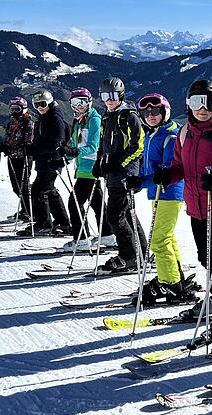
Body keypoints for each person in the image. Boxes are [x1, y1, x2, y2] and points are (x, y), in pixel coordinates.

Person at [152, 80, 212, 330]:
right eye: (196, 102)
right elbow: (179, 166)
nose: (202, 108)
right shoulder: (185, 132)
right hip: (196, 206)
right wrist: (168, 174)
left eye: (207, 102)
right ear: (188, 104)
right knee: (205, 256)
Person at [136, 92, 194, 304]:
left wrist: (142, 182)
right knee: (167, 237)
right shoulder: (154, 134)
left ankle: (170, 283)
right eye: (147, 112)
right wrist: (138, 180)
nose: (151, 115)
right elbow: (150, 166)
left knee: (159, 240)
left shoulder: (170, 135)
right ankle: (176, 277)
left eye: (156, 111)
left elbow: (167, 171)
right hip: (158, 194)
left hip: (169, 193)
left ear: (165, 112)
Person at [92, 77, 147, 272]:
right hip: (112, 174)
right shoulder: (107, 116)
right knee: (127, 214)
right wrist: (99, 164)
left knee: (115, 216)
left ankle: (129, 256)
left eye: (113, 96)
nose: (109, 100)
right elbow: (103, 144)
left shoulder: (129, 116)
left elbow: (138, 146)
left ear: (121, 95)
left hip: (125, 174)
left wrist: (117, 163)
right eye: (105, 96)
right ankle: (142, 253)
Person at [58, 87, 115, 252]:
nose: (78, 106)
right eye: (75, 103)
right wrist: (64, 158)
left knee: (74, 204)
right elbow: (77, 146)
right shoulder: (81, 121)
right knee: (97, 205)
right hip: (83, 169)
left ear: (89, 102)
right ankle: (107, 235)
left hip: (91, 170)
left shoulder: (94, 120)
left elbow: (93, 147)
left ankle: (81, 240)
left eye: (82, 102)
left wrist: (74, 151)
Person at [17, 90, 71, 236]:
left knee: (38, 191)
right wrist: (33, 148)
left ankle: (44, 224)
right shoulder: (44, 117)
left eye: (42, 104)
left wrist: (36, 150)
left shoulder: (54, 117)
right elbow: (42, 139)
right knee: (50, 191)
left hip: (52, 161)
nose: (40, 107)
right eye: (36, 105)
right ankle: (63, 223)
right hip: (45, 161)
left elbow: (57, 143)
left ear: (49, 102)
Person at [0, 96, 34, 222]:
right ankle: (25, 209)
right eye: (12, 109)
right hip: (12, 157)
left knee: (23, 185)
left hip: (24, 158)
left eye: (17, 109)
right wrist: (4, 146)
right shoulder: (11, 122)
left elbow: (28, 142)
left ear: (23, 109)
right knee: (16, 186)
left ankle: (30, 211)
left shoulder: (28, 122)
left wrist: (13, 149)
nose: (14, 112)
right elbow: (9, 138)